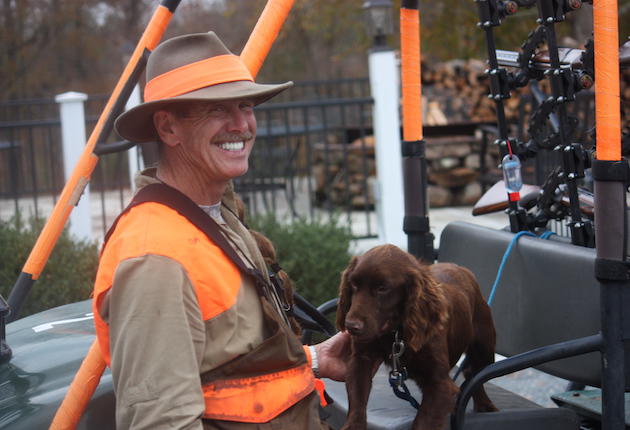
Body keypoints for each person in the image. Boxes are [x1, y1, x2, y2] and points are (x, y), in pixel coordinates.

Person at [92, 31, 351, 430]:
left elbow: (224, 365)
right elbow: (163, 421)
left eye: (246, 105)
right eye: (216, 109)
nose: (241, 124)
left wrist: (314, 360)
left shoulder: (212, 214)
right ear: (168, 128)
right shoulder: (154, 257)